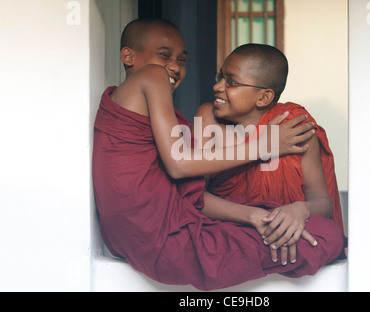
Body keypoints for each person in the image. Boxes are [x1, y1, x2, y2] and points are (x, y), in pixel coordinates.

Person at [92, 19, 344, 291]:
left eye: (181, 59)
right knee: (327, 235)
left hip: (146, 234)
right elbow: (180, 168)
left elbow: (188, 194)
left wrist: (261, 215)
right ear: (128, 56)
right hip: (163, 238)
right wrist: (266, 144)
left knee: (301, 225)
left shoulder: (291, 124)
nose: (175, 66)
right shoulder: (155, 78)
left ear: (264, 97)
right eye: (164, 56)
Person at [196, 43, 345, 263]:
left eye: (231, 81)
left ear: (264, 98)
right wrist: (256, 217)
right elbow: (195, 196)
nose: (217, 86)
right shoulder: (209, 118)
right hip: (229, 223)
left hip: (281, 223)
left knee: (328, 236)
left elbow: (322, 201)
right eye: (220, 77)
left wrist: (299, 210)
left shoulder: (294, 126)